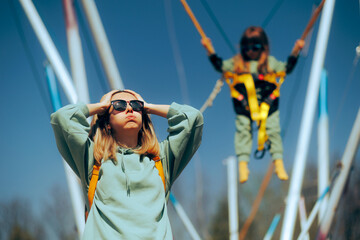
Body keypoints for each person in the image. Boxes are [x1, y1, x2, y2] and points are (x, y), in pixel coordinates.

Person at [50, 89, 203, 239]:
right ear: (107, 122)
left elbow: (193, 118)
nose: (129, 109)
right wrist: (101, 106)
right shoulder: (92, 160)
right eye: (119, 105)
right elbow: (62, 118)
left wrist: (149, 107)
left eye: (136, 105)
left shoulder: (161, 161)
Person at [201, 26, 304, 183]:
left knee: (273, 130)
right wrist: (209, 49)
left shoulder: (270, 63)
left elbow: (286, 68)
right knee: (243, 131)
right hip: (244, 104)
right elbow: (220, 65)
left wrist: (295, 51)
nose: (250, 52)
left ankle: (278, 161)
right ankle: (243, 164)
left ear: (263, 47)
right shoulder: (237, 63)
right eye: (247, 48)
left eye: (255, 47)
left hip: (268, 103)